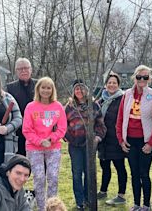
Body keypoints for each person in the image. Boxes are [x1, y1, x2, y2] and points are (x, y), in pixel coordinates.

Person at [116, 65, 152, 211]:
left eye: (145, 77)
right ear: (134, 78)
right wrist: (121, 140)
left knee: (144, 173)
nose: (142, 80)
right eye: (139, 77)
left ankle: (146, 205)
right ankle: (136, 203)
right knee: (134, 173)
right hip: (130, 141)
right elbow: (120, 120)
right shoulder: (126, 95)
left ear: (149, 79)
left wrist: (151, 143)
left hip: (145, 141)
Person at [22, 77, 67, 211]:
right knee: (39, 178)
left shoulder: (57, 106)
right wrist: (39, 141)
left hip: (53, 147)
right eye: (43, 87)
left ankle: (52, 207)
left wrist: (51, 139)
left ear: (52, 90)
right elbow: (26, 129)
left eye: (49, 88)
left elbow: (62, 128)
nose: (46, 90)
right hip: (34, 147)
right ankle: (42, 207)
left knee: (53, 177)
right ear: (38, 89)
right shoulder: (31, 107)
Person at [65, 79, 106, 211]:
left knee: (89, 172)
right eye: (76, 88)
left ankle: (89, 199)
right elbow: (62, 126)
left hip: (90, 144)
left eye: (82, 88)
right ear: (73, 91)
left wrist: (97, 138)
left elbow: (100, 124)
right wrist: (69, 138)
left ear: (87, 90)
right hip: (75, 145)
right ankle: (80, 201)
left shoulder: (93, 105)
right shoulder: (69, 107)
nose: (79, 91)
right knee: (77, 173)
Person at [96, 72, 127, 205]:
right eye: (109, 82)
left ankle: (121, 194)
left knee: (119, 166)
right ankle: (103, 191)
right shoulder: (100, 100)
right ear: (105, 85)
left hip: (116, 139)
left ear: (118, 85)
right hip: (103, 140)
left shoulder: (123, 99)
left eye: (114, 82)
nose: (111, 85)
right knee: (105, 166)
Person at [6, 57, 37, 156]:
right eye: (20, 69)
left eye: (26, 68)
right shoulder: (10, 88)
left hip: (38, 129)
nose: (23, 71)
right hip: (19, 130)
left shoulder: (39, 85)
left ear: (31, 69)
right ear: (16, 71)